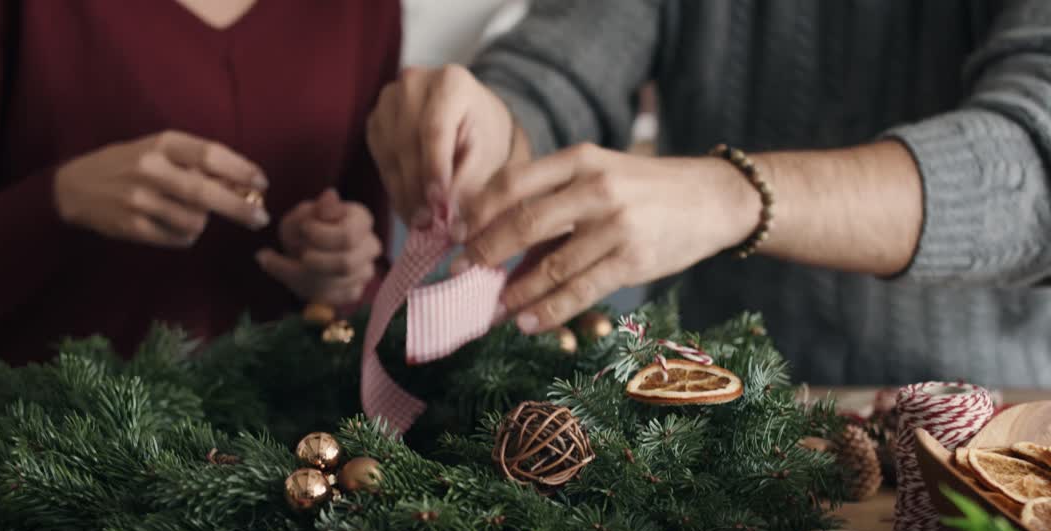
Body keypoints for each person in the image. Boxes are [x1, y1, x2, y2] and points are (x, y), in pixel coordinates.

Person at [367, 1, 1051, 387]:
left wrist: (734, 195)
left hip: (995, 445)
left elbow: (1030, 169)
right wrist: (493, 124)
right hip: (716, 426)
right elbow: (559, 72)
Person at [0, 0, 399, 388]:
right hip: (32, 485)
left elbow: (374, 278)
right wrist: (60, 201)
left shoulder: (363, 10)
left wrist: (343, 272)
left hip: (290, 485)